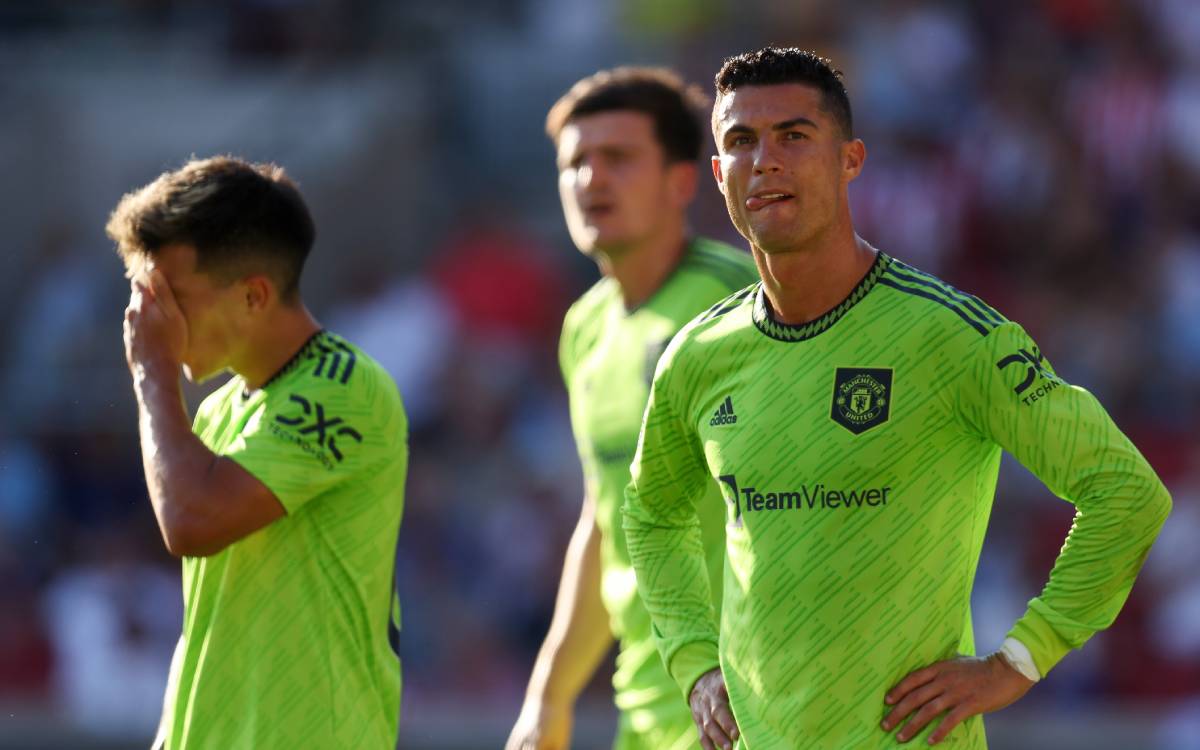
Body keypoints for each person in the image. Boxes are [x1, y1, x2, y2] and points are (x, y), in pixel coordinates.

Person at [622, 47, 1172, 750]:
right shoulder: (698, 356)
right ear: (717, 175)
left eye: (794, 136)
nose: (765, 160)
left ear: (851, 160)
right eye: (741, 142)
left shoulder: (949, 336)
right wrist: (696, 664)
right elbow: (651, 513)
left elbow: (1126, 492)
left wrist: (1020, 659)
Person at [107, 156, 407, 749]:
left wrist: (153, 373)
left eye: (172, 297)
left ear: (253, 296)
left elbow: (192, 522)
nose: (151, 320)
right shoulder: (220, 410)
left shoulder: (346, 386)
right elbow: (218, 614)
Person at [506, 68, 758, 750]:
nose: (591, 180)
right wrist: (548, 698)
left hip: (750, 708)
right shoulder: (584, 329)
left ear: (682, 182)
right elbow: (604, 517)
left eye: (617, 158)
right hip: (645, 704)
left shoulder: (738, 309)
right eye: (575, 163)